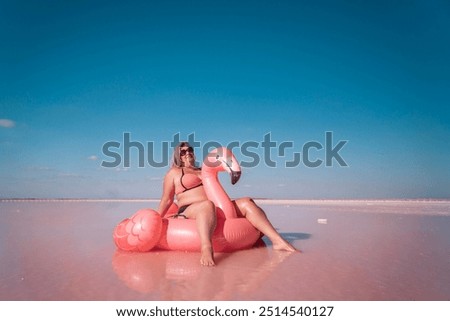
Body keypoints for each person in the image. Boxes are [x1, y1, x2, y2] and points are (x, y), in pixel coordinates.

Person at [157, 142, 297, 266]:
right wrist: (158, 218)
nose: (188, 153)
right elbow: (167, 199)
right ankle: (206, 247)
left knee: (247, 202)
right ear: (178, 155)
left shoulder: (202, 170)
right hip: (190, 209)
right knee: (207, 205)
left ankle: (277, 240)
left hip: (214, 208)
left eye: (190, 150)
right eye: (183, 151)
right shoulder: (174, 173)